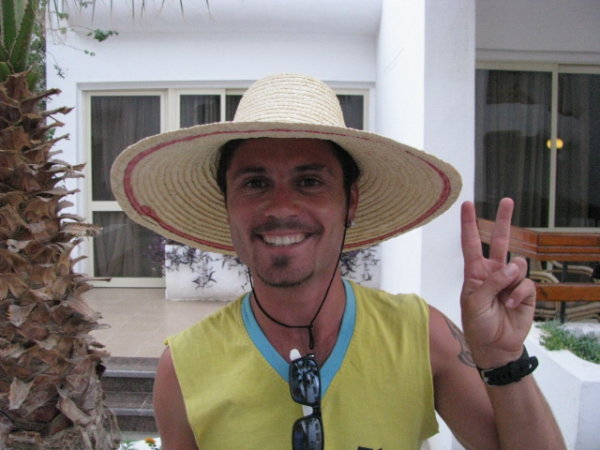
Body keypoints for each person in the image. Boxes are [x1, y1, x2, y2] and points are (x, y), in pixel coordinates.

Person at [111, 73, 565, 449]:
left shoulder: (419, 334)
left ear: (351, 203)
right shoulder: (184, 367)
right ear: (227, 205)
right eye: (254, 183)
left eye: (310, 181)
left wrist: (503, 359)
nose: (281, 206)